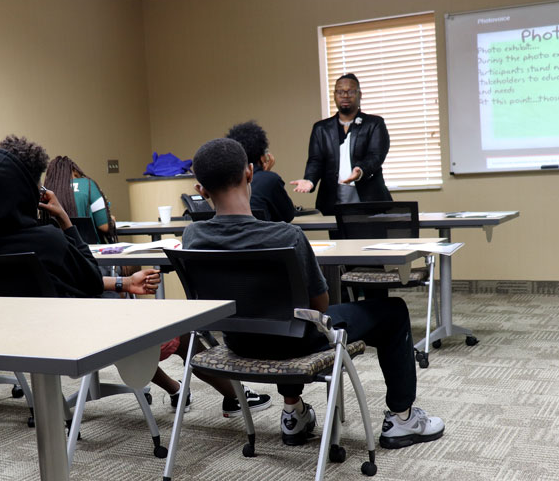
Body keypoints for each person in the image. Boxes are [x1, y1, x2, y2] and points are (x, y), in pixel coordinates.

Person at [0, 135, 270, 419]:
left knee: (133, 321)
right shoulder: (46, 240)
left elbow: (63, 287)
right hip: (85, 336)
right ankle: (235, 400)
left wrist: (124, 283)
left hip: (21, 341)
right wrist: (66, 222)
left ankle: (176, 389)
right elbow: (89, 281)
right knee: (182, 332)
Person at [185, 138, 443, 449]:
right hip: (295, 343)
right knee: (393, 311)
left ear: (201, 190)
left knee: (283, 317)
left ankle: (293, 414)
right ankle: (403, 419)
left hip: (238, 342)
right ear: (250, 173)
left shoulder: (193, 235)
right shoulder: (287, 235)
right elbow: (320, 306)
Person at [290, 73, 392, 215]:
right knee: (340, 238)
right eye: (340, 91)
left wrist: (360, 170)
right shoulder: (321, 128)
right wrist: (310, 180)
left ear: (359, 95)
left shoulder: (374, 124)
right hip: (333, 203)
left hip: (370, 200)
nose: (345, 95)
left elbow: (376, 156)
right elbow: (316, 160)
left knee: (371, 237)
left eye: (350, 91)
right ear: (334, 95)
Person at [226, 120, 295, 222]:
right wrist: (265, 174)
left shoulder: (225, 179)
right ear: (263, 156)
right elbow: (287, 216)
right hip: (261, 236)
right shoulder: (270, 179)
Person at [44, 155, 116, 241]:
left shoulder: (47, 190)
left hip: (58, 248)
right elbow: (104, 226)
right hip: (88, 247)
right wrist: (111, 220)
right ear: (74, 171)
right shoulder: (88, 185)